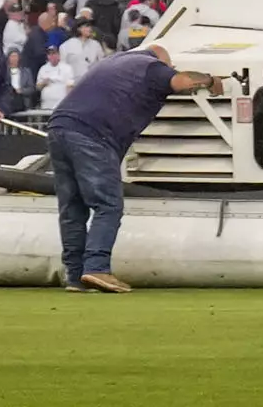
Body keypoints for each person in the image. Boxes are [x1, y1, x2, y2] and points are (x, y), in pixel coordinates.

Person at [44, 18, 223, 294]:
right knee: (108, 204)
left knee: (73, 207)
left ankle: (75, 275)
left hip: (59, 126)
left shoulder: (113, 62)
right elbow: (181, 81)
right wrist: (211, 81)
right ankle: (97, 268)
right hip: (94, 134)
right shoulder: (152, 67)